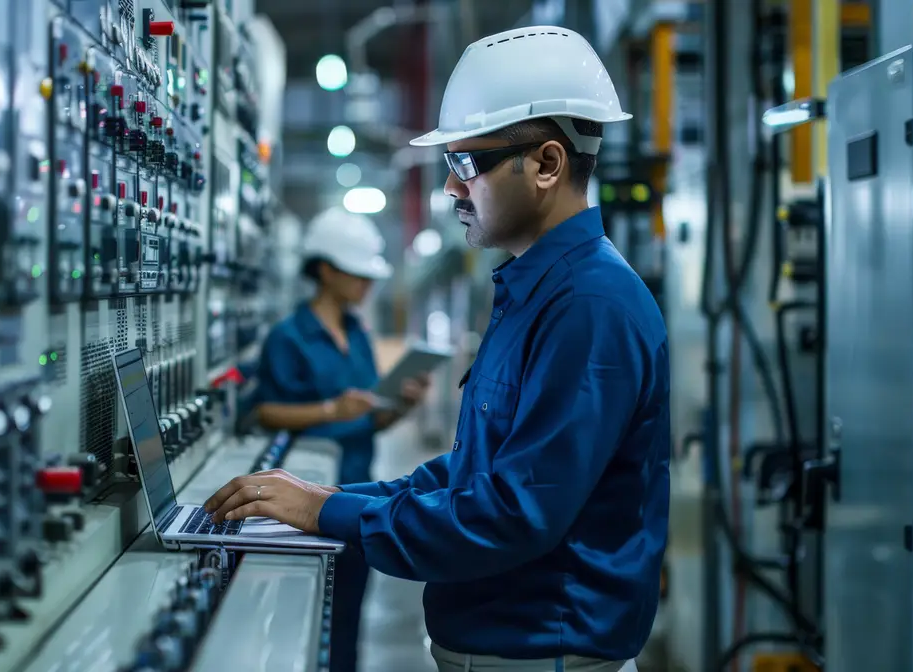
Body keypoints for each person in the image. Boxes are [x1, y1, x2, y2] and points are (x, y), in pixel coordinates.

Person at [208, 26, 668, 672]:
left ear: (547, 164)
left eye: (467, 164)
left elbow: (512, 515)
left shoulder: (589, 307)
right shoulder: (535, 292)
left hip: (543, 652)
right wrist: (330, 498)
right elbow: (475, 472)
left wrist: (329, 513)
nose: (452, 188)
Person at [251, 206, 431, 672]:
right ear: (326, 270)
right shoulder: (289, 337)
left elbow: (368, 421)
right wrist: (331, 410)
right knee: (301, 636)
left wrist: (400, 406)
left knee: (347, 628)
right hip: (303, 506)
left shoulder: (358, 333)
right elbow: (266, 411)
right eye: (358, 273)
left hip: (355, 498)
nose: (368, 284)